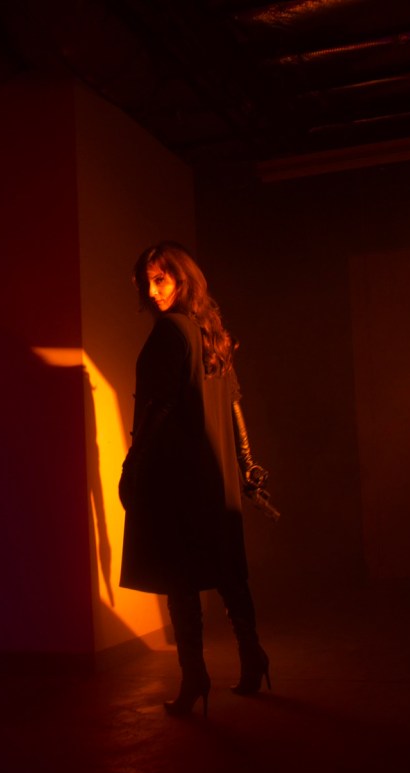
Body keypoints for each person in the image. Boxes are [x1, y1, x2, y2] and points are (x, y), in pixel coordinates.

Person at [118, 241, 272, 717]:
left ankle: (195, 678)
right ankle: (252, 659)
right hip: (215, 473)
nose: (152, 290)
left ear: (182, 280)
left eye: (160, 279)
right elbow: (234, 405)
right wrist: (245, 466)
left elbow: (158, 406)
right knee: (226, 571)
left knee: (179, 576)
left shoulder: (170, 331)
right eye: (146, 281)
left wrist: (133, 464)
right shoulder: (211, 331)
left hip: (178, 472)